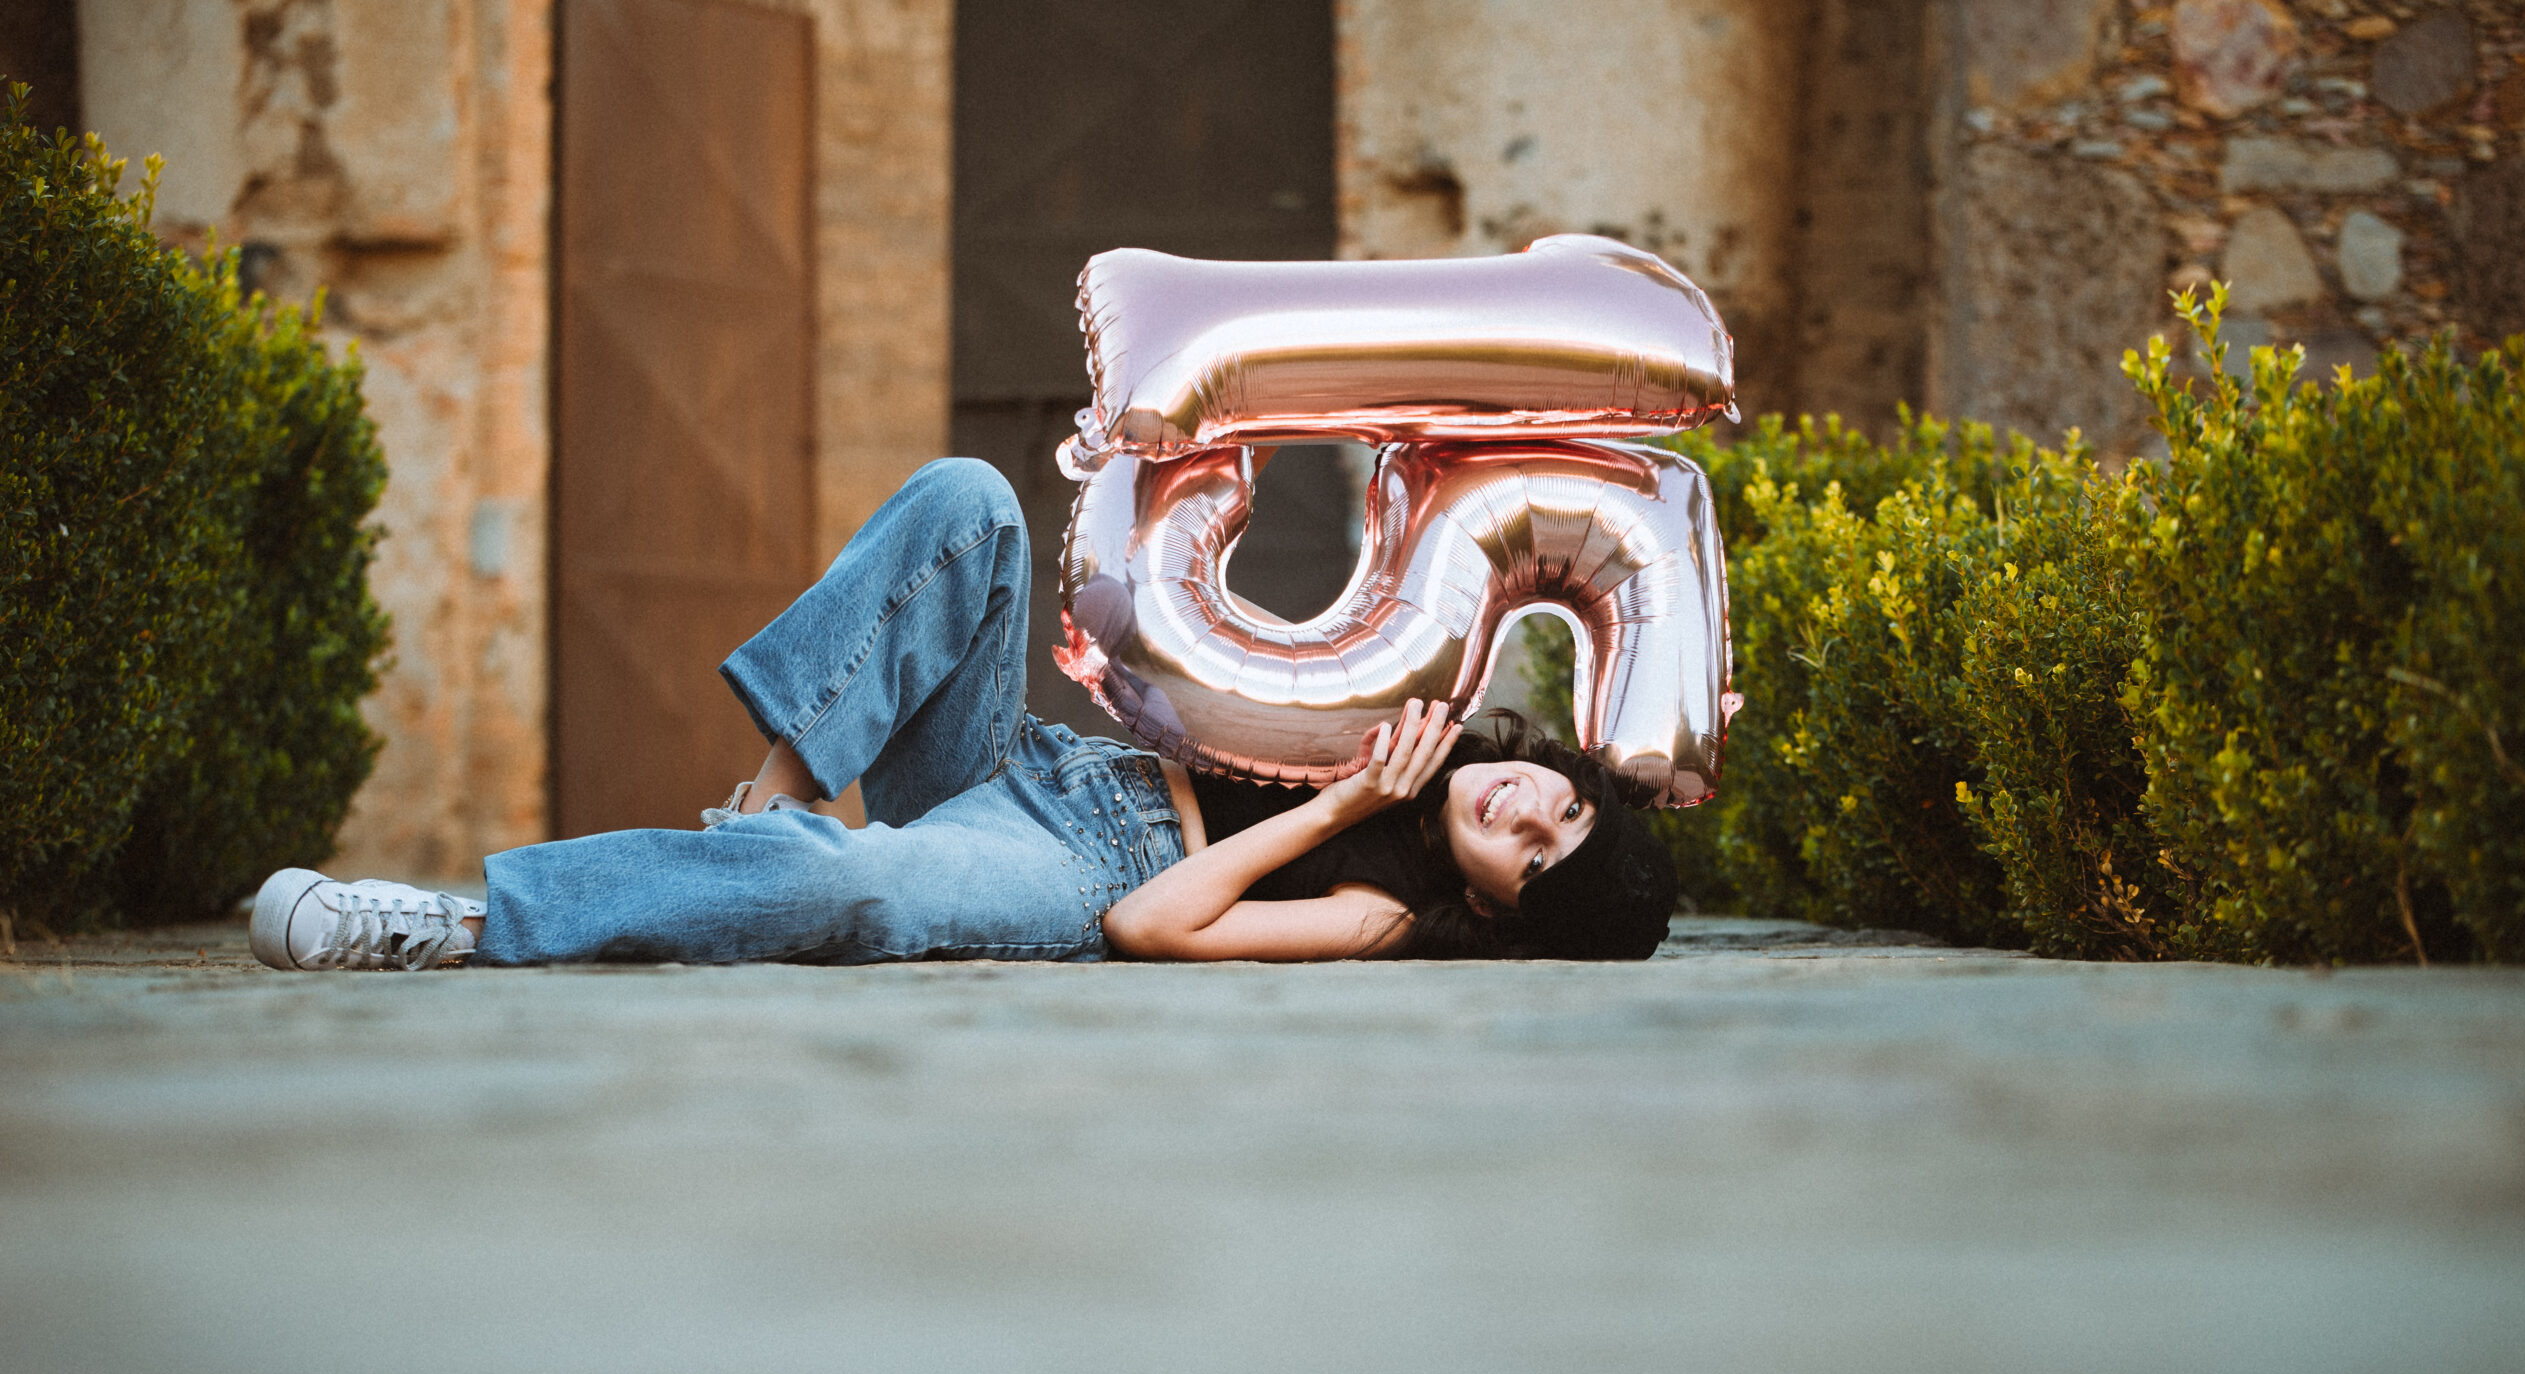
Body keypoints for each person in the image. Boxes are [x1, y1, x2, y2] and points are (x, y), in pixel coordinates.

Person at [249, 460, 1678, 974]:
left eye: (1535, 853)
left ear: (1496, 908)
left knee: (856, 893)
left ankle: (461, 925)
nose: (1523, 813)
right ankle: (765, 814)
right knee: (972, 506)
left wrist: (1347, 807)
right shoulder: (1433, 706)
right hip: (1043, 765)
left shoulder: (1384, 907)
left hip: (1076, 868)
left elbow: (1151, 926)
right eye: (1561, 802)